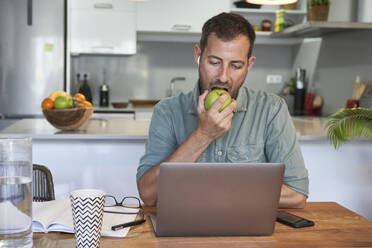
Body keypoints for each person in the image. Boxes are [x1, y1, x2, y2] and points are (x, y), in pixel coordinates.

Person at [137, 12, 309, 208]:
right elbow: (148, 194)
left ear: (249, 65)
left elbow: (297, 195)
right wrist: (203, 135)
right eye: (214, 62)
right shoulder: (167, 111)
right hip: (184, 233)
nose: (224, 77)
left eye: (235, 66)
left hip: (250, 234)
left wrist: (219, 191)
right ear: (198, 55)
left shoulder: (271, 109)